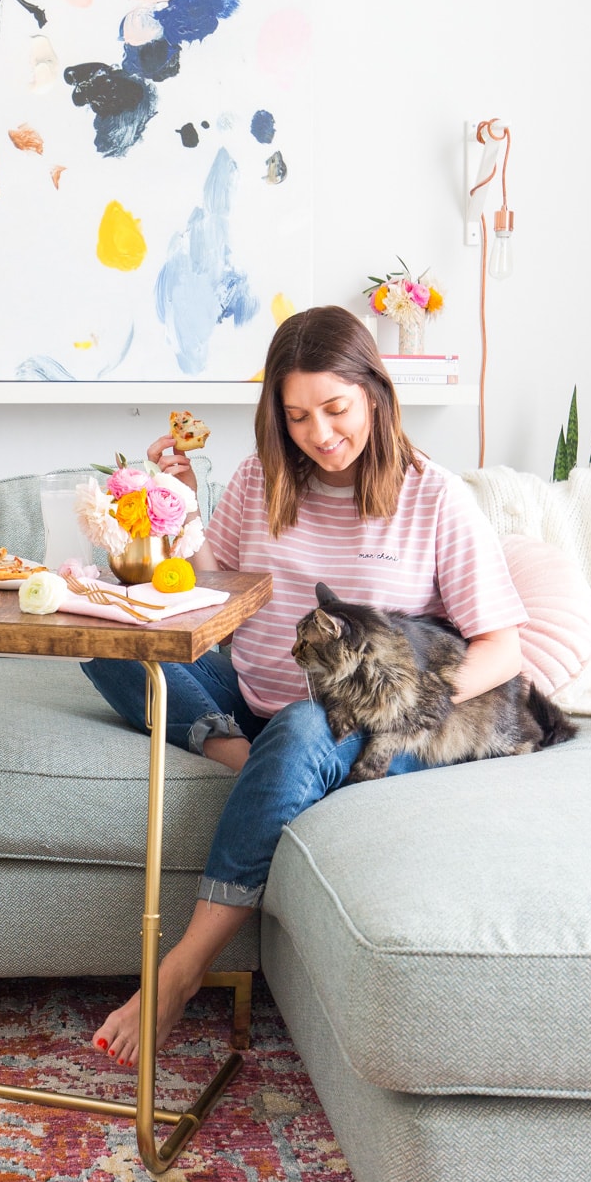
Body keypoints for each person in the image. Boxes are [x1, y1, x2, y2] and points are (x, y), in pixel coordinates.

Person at [81, 305, 527, 1067]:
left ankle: (181, 971)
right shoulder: (260, 479)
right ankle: (263, 768)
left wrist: (416, 701)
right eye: (297, 416)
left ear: (376, 396)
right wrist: (179, 508)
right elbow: (202, 598)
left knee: (300, 729)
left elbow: (504, 646)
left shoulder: (434, 497)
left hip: (364, 715)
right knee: (108, 640)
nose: (320, 433)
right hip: (255, 696)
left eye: (336, 409)